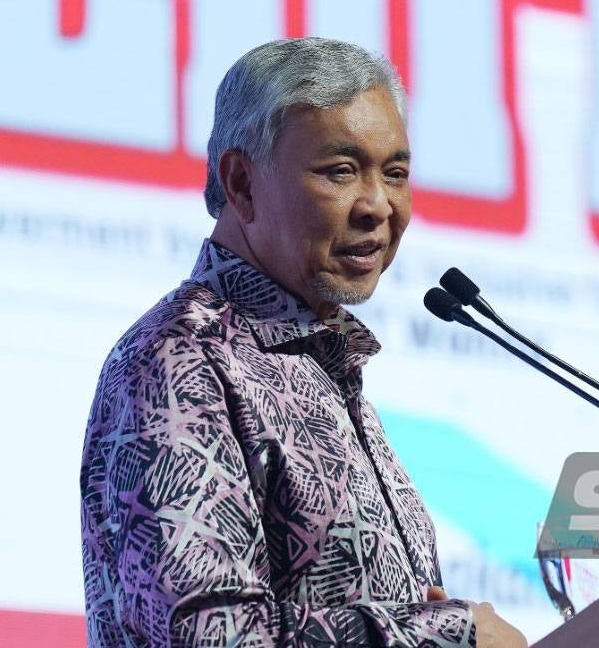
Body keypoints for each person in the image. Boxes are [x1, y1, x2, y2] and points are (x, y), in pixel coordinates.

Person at [79, 37, 527, 648]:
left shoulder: (320, 362)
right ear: (241, 184)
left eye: (395, 172)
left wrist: (422, 619)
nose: (377, 205)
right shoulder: (180, 362)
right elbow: (199, 635)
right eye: (340, 171)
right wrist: (444, 635)